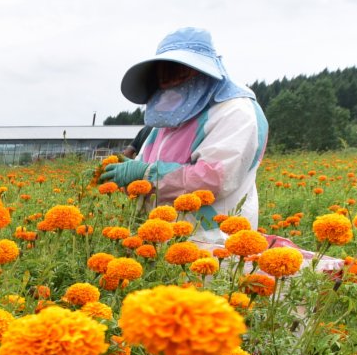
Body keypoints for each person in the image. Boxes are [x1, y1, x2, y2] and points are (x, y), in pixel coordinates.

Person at [99, 28, 267, 246]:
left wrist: (146, 174)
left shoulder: (235, 111)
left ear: (205, 70)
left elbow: (214, 178)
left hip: (213, 240)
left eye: (181, 72)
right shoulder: (170, 115)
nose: (171, 81)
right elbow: (146, 163)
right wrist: (125, 174)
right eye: (164, 75)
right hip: (162, 237)